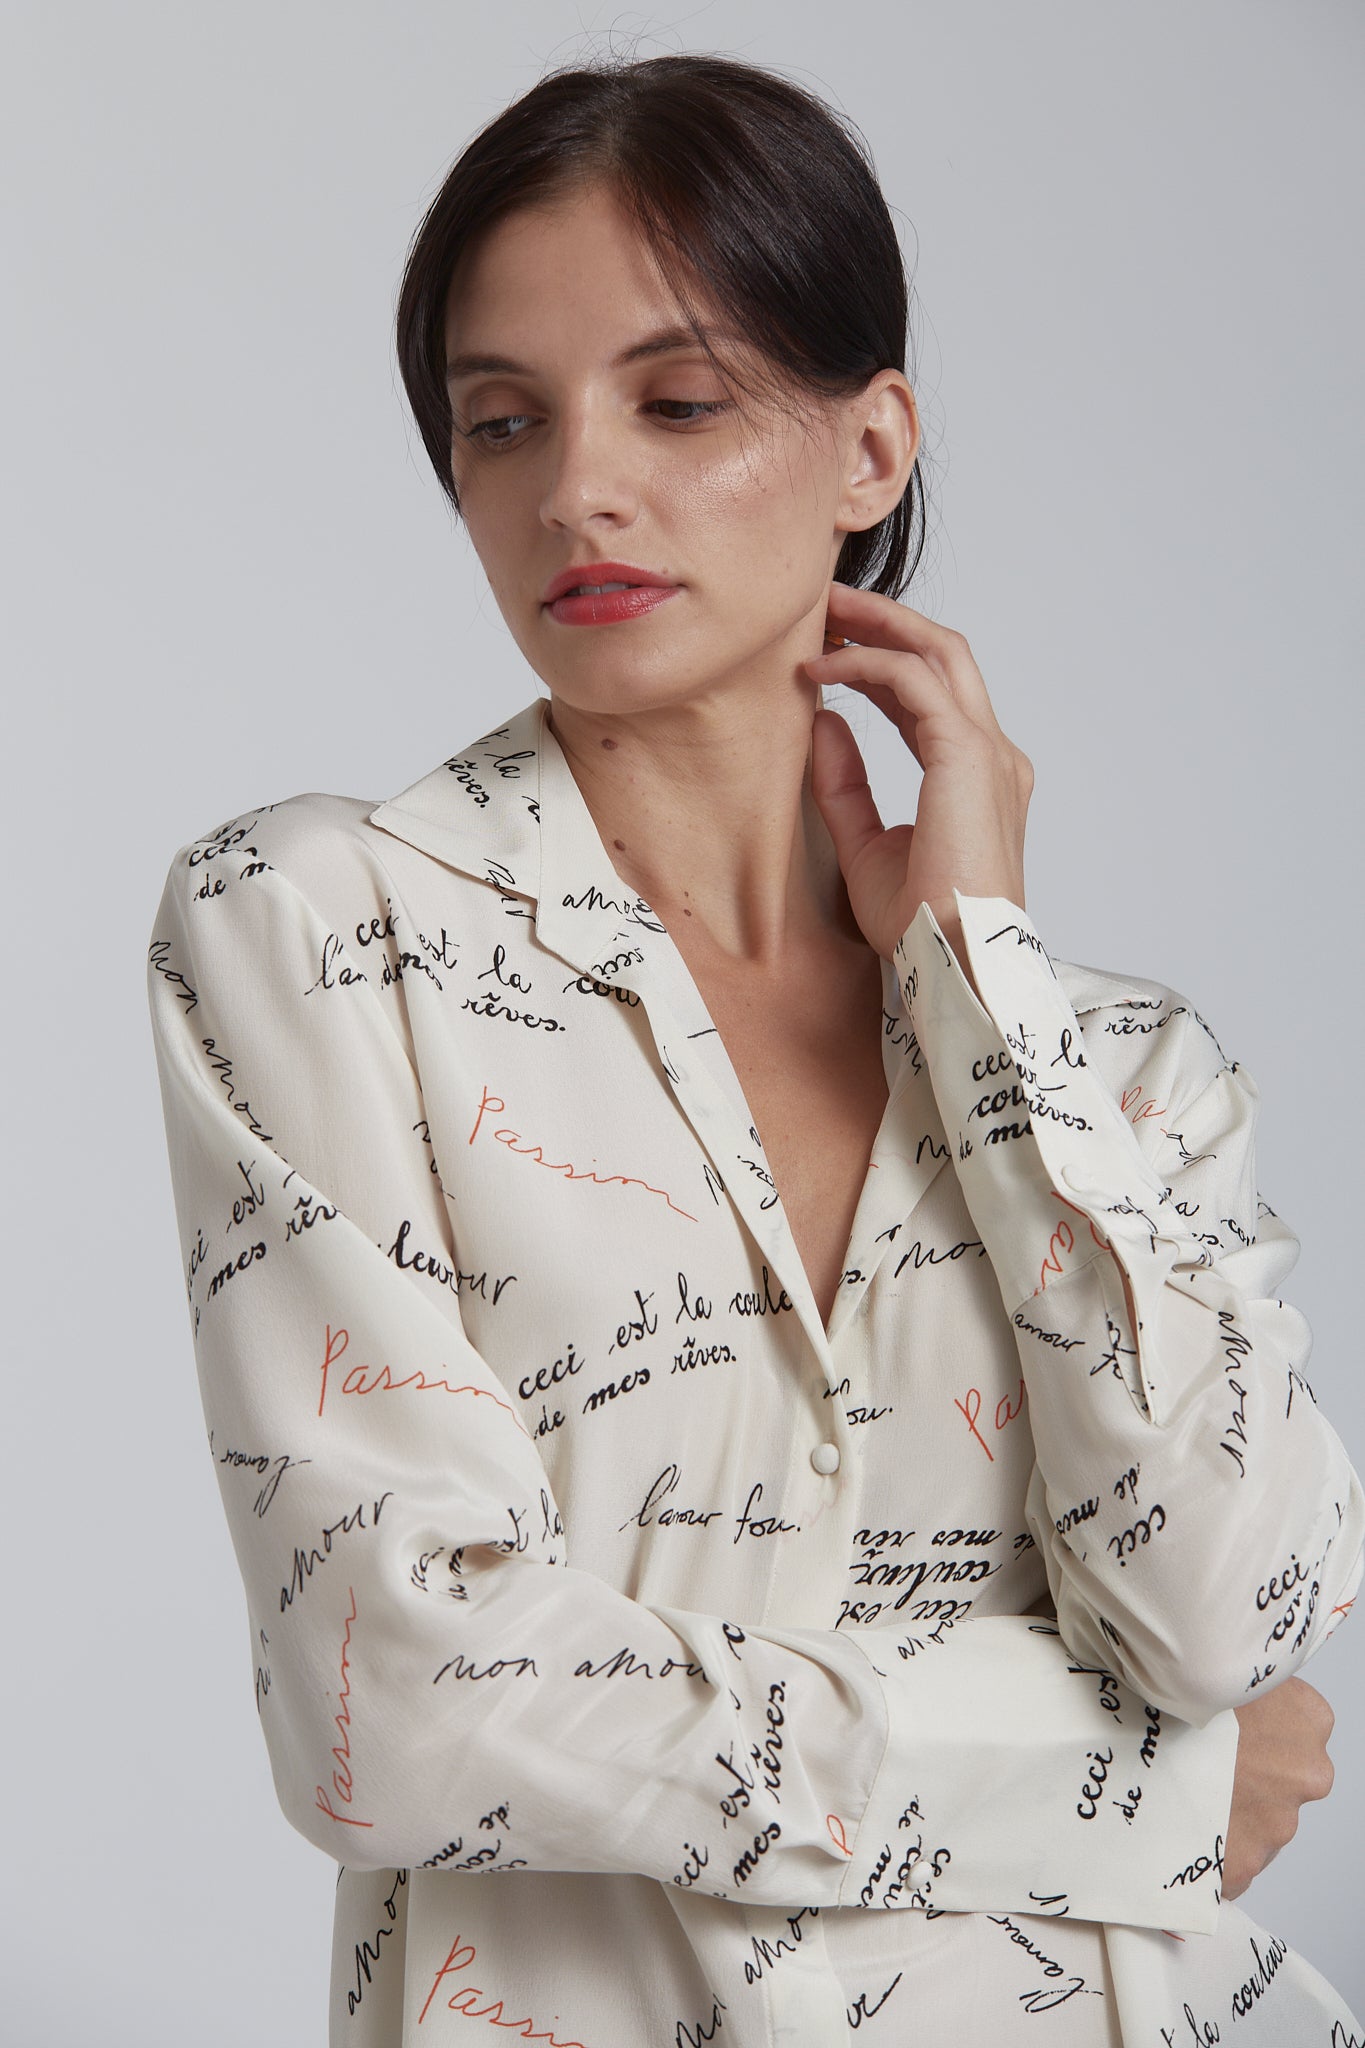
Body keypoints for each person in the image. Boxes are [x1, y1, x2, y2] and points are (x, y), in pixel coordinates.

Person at [147, 49, 1365, 2047]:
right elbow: (395, 1701)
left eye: (679, 399)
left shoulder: (1121, 1070)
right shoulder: (318, 933)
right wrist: (1132, 1782)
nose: (574, 489)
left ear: (867, 445)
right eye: (496, 423)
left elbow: (1228, 1619)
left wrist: (982, 979)